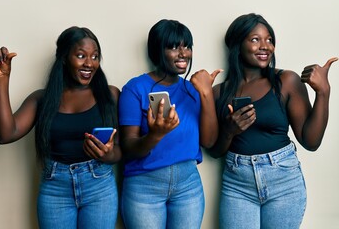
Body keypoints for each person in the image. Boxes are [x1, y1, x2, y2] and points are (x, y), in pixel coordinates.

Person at [0, 26, 121, 229]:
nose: (89, 63)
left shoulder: (110, 95)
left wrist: (108, 155)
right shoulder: (42, 99)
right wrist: (2, 79)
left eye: (95, 56)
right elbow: (5, 134)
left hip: (99, 187)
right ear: (64, 58)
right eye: (81, 55)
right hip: (55, 189)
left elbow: (122, 149)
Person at [209, 13, 338, 229]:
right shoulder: (218, 93)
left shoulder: (286, 81)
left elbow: (311, 141)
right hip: (237, 185)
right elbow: (214, 152)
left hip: (284, 183)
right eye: (255, 39)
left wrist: (323, 92)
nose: (265, 46)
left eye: (269, 39)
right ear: (237, 45)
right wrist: (230, 131)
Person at [118, 19, 222, 229]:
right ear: (157, 50)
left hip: (188, 186)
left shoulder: (193, 89)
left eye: (187, 46)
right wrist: (155, 134)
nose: (183, 53)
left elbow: (209, 141)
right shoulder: (135, 89)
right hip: (144, 186)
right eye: (174, 47)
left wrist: (206, 92)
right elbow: (128, 148)